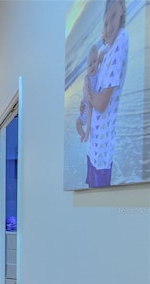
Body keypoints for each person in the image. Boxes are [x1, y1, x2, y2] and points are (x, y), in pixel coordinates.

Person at [83, 0, 128, 188]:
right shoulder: (108, 49)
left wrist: (88, 96)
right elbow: (97, 57)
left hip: (101, 152)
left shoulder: (122, 39)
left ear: (122, 14)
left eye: (113, 18)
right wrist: (88, 98)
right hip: (93, 147)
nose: (109, 27)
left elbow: (100, 104)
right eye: (106, 22)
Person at [76, 44, 101, 143]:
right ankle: (82, 134)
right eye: (90, 64)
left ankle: (87, 133)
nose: (93, 66)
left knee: (89, 116)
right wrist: (86, 97)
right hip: (87, 102)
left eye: (95, 62)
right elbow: (86, 89)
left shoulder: (99, 73)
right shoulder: (87, 78)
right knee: (77, 123)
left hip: (90, 104)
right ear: (86, 67)